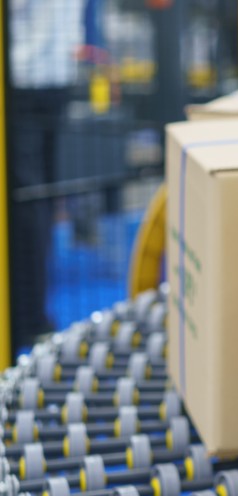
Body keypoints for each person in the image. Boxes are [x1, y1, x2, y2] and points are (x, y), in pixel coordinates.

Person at [6, 0, 88, 352]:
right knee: (39, 198)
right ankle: (34, 314)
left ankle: (25, 317)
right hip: (57, 77)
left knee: (26, 201)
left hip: (22, 78)